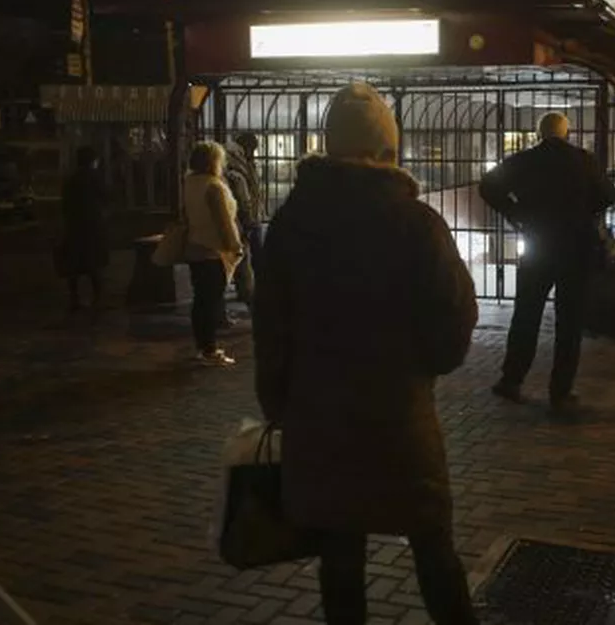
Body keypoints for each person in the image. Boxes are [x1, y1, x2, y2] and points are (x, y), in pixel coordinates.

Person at [254, 83, 479, 625]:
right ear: (387, 150)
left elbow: (271, 329)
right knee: (433, 549)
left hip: (319, 417)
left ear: (329, 147)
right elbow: (455, 318)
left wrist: (280, 404)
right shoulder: (417, 224)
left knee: (339, 560)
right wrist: (425, 363)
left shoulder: (291, 224)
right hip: (399, 417)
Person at [479, 112, 615, 415]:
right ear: (566, 132)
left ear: (540, 133)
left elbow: (488, 185)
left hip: (538, 245)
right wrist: (583, 212)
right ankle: (561, 392)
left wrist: (515, 212)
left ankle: (511, 380)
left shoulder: (524, 160)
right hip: (576, 248)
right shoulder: (584, 160)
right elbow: (608, 195)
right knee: (569, 322)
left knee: (526, 313)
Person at [184, 141, 243, 366]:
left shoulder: (190, 182)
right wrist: (235, 246)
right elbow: (224, 221)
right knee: (210, 300)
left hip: (194, 246)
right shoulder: (214, 186)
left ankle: (203, 345)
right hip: (212, 250)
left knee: (201, 300)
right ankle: (210, 349)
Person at [58, 146, 109, 313]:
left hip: (74, 226)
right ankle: (97, 298)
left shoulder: (71, 180)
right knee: (93, 264)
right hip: (92, 225)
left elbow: (64, 205)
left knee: (74, 265)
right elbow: (107, 196)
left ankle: (75, 298)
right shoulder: (95, 178)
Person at [224, 136, 264, 310]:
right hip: (245, 218)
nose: (253, 153)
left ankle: (248, 291)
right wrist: (249, 218)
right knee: (248, 256)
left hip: (247, 217)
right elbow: (245, 196)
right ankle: (251, 296)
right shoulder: (238, 167)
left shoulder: (237, 163)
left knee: (248, 256)